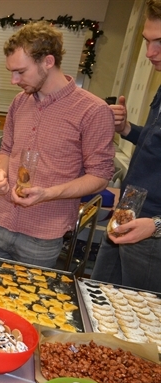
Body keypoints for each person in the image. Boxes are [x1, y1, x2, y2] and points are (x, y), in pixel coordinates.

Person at [0, 21, 115, 268]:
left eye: (20, 71)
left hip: (42, 234)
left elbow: (100, 175)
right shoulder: (20, 103)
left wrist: (47, 194)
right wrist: (0, 171)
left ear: (48, 62)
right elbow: (7, 150)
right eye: (11, 71)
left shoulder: (93, 110)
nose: (13, 80)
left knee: (27, 302)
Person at [91, 0, 161, 293]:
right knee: (100, 300)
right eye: (147, 41)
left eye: (159, 42)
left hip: (151, 235)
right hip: (127, 216)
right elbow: (155, 144)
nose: (149, 53)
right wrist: (126, 129)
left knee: (137, 325)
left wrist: (157, 225)